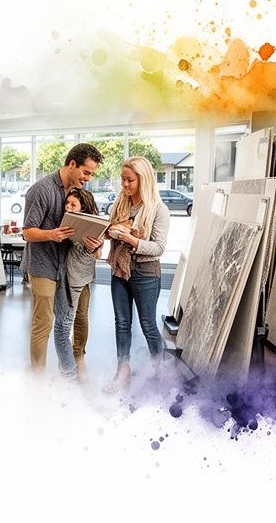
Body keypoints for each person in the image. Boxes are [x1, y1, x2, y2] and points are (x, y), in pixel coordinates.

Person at [21, 143, 104, 378]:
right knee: (43, 323)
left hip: (67, 269)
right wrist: (51, 234)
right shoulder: (42, 190)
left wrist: (95, 243)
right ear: (72, 164)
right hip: (43, 266)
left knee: (69, 321)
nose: (88, 179)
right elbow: (27, 232)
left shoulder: (76, 194)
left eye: (91, 174)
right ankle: (37, 377)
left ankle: (68, 372)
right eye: (86, 172)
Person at [103, 156, 170, 393]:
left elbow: (158, 248)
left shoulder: (158, 210)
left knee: (148, 325)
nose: (125, 185)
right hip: (120, 270)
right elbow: (109, 232)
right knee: (122, 323)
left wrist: (132, 239)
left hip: (146, 273)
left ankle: (159, 371)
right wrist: (110, 233)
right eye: (122, 179)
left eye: (129, 180)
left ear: (144, 179)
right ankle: (123, 371)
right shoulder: (119, 206)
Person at [56, 187, 101, 376]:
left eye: (73, 204)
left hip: (84, 277)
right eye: (67, 203)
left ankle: (78, 356)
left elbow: (98, 254)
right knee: (64, 322)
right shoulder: (64, 221)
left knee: (81, 317)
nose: (68, 206)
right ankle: (66, 364)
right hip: (67, 277)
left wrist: (94, 247)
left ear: (84, 207)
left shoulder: (93, 223)